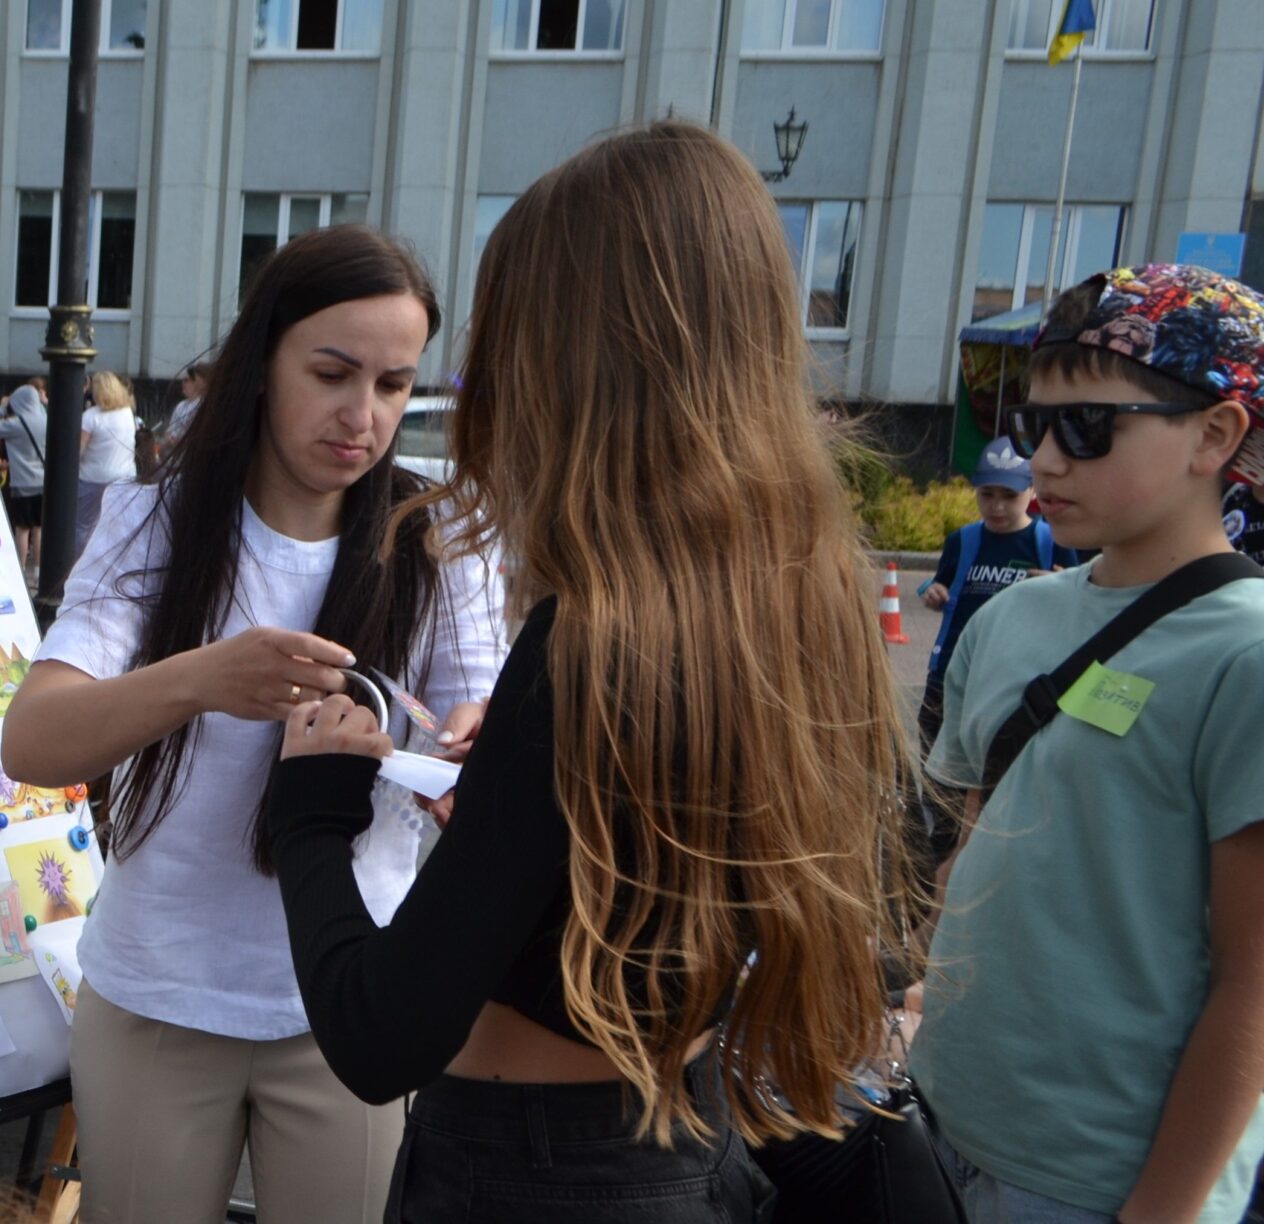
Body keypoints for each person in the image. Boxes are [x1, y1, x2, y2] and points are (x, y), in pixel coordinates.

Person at [266, 122, 916, 1221]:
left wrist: (312, 812)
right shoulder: (794, 592)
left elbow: (379, 1037)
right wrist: (507, 809)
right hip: (679, 1134)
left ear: (573, 360)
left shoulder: (590, 642)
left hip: (532, 1171)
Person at [3, 224, 506, 1223]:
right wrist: (201, 678)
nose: (362, 416)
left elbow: (473, 717)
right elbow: (35, 741)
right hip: (157, 996)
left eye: (394, 385)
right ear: (262, 361)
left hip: (351, 1000)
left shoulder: (438, 537)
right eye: (332, 373)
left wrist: (468, 747)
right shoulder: (157, 522)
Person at [917, 263, 1264, 1223]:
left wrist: (1165, 1208)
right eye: (1035, 425)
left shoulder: (1246, 653)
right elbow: (973, 848)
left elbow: (1254, 987)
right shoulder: (1011, 619)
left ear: (1215, 435)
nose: (1044, 463)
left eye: (1087, 426)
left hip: (1105, 1181)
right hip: (940, 1125)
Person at [917, 436, 1081, 748]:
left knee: (996, 758)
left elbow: (1082, 600)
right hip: (952, 669)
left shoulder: (1052, 542)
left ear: (1032, 491)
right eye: (987, 494)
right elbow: (940, 588)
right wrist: (932, 592)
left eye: (1009, 495)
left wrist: (1060, 586)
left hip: (1017, 676)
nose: (997, 506)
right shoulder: (961, 540)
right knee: (933, 751)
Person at [0, 376, 50, 581]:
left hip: (21, 482)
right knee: (38, 529)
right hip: (43, 481)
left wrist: (3, 407)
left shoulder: (15, 424)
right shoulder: (45, 419)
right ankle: (38, 570)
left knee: (22, 529)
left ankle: (20, 571)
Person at [75, 369, 141, 547]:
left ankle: (82, 560)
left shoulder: (90, 417)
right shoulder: (127, 412)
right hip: (124, 477)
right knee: (118, 525)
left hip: (92, 477)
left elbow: (78, 451)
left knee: (83, 526)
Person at [161, 361, 210, 452]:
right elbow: (169, 431)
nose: (183, 383)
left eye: (186, 380)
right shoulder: (181, 406)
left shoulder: (204, 404)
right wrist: (169, 440)